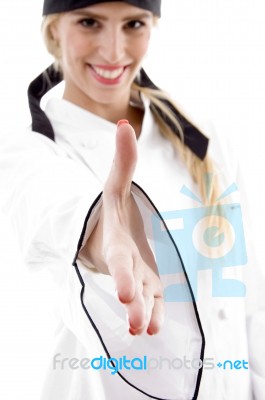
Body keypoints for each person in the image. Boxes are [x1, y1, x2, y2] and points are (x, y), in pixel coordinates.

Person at [0, 1, 264, 399]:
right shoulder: (32, 154)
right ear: (54, 30)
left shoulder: (204, 141)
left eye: (133, 24)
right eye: (89, 22)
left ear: (153, 25)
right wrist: (101, 232)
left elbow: (252, 295)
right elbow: (52, 209)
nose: (113, 50)